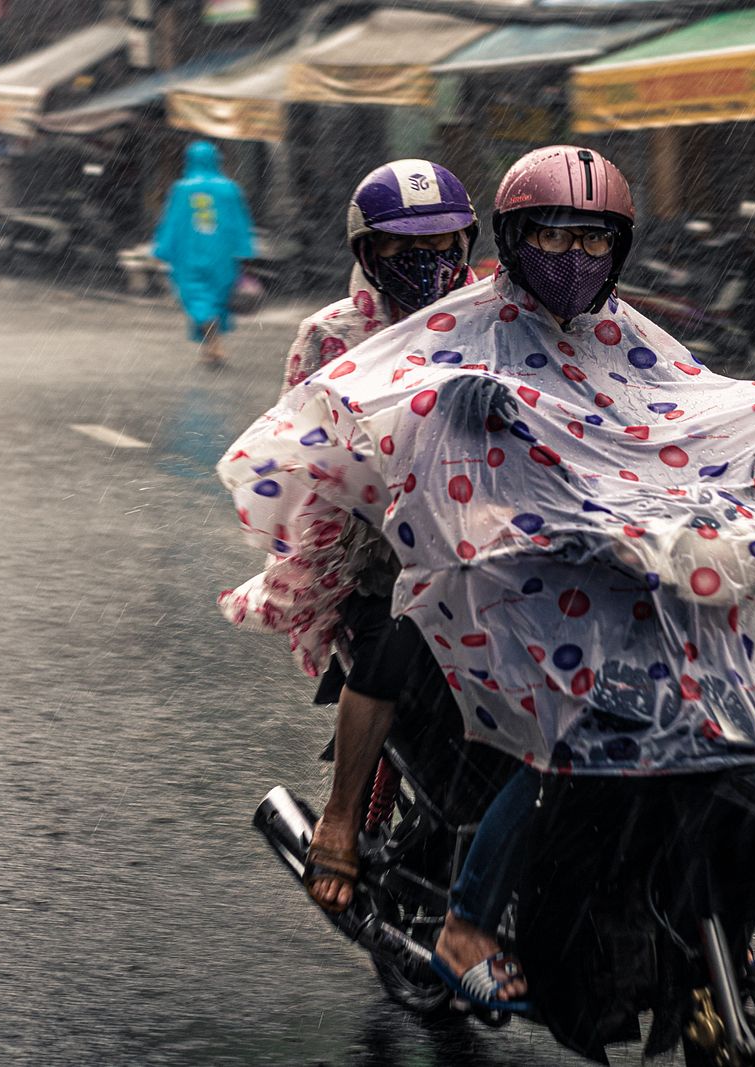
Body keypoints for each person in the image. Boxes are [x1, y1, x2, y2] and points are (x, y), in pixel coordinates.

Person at [218, 144, 755, 1016]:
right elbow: (325, 426)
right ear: (513, 240)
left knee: (730, 684)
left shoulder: (617, 325)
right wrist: (437, 419)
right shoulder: (447, 324)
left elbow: (688, 402)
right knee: (551, 726)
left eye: (594, 242)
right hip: (426, 548)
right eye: (553, 236)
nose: (574, 260)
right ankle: (355, 833)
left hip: (567, 547)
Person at [218, 159, 479, 916]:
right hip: (375, 556)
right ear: (368, 254)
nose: (429, 261)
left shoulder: (495, 319)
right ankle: (338, 817)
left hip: (492, 543)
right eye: (403, 246)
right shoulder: (331, 335)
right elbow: (302, 461)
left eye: (443, 242)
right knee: (401, 633)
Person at [153, 140, 254, 366]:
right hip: (222, 257)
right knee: (217, 299)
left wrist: (162, 249)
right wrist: (244, 249)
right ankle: (212, 345)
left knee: (198, 299)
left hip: (189, 256)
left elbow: (172, 222)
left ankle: (212, 346)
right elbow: (239, 222)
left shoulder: (182, 189)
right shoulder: (229, 189)